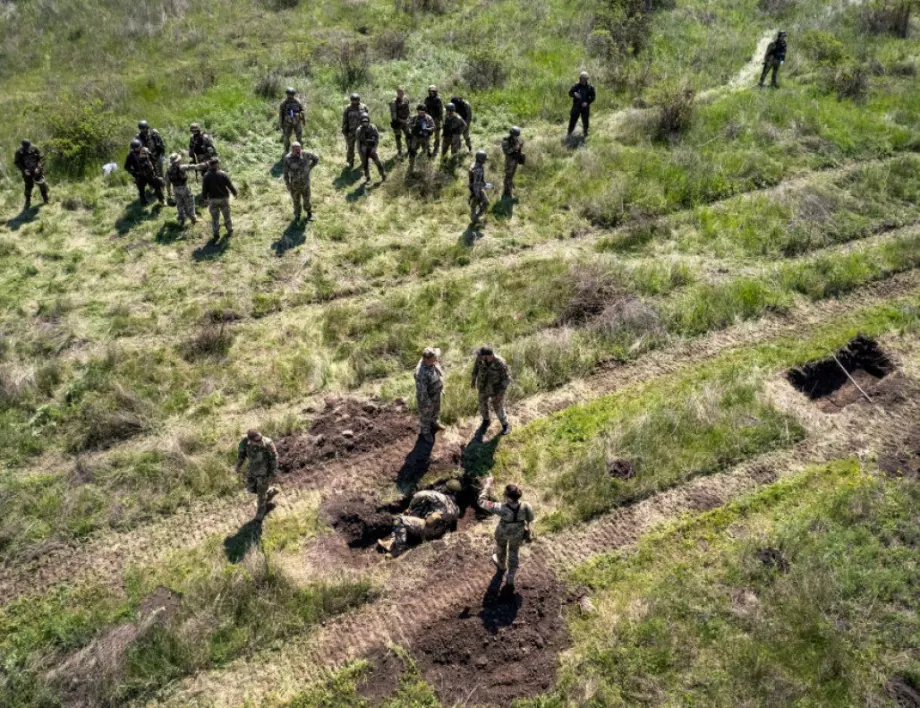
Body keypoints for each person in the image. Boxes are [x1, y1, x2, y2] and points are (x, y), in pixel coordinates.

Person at [478, 479, 534, 594]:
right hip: (518, 534)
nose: (503, 495)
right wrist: (528, 533)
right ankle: (510, 577)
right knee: (514, 553)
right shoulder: (526, 506)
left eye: (505, 494)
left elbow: (481, 501)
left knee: (501, 548)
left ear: (509, 498)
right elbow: (530, 520)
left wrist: (487, 486)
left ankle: (501, 565)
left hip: (502, 533)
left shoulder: (500, 507)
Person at [378, 488, 460, 557]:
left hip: (426, 528)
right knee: (420, 510)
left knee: (398, 521)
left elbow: (420, 495)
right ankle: (392, 542)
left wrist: (410, 507)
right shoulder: (456, 510)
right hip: (436, 533)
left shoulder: (441, 498)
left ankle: (398, 549)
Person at [235, 429, 280, 522]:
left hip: (264, 472)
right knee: (250, 488)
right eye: (257, 441)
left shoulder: (268, 443)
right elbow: (241, 454)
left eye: (260, 439)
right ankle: (270, 492)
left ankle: (261, 511)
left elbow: (274, 458)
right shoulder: (244, 441)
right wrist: (238, 466)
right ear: (250, 440)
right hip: (252, 470)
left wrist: (273, 472)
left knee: (260, 493)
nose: (260, 441)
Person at [471, 346, 511, 435]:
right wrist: (473, 382)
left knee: (498, 407)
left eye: (481, 355)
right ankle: (486, 421)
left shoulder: (500, 363)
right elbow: (475, 370)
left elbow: (506, 379)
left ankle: (505, 425)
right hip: (482, 388)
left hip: (495, 390)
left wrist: (501, 393)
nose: (478, 356)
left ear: (487, 356)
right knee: (482, 405)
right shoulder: (479, 359)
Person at [201, 157, 238, 239]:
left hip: (213, 200)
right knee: (227, 216)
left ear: (210, 165)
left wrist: (204, 198)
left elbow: (204, 189)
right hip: (224, 198)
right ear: (216, 165)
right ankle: (229, 229)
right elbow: (230, 185)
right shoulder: (223, 174)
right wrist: (235, 193)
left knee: (215, 218)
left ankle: (216, 233)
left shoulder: (206, 176)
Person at [414, 347, 445, 443]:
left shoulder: (430, 361)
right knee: (426, 416)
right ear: (426, 359)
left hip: (435, 393)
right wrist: (427, 404)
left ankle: (434, 422)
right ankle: (425, 432)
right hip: (427, 398)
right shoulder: (421, 373)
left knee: (436, 410)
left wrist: (440, 388)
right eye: (433, 358)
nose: (436, 359)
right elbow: (422, 392)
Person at [283, 141, 319, 222]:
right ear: (292, 150)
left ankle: (309, 214)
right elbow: (285, 173)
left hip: (305, 184)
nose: (298, 152)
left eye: (299, 149)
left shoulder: (306, 154)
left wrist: (310, 167)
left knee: (307, 200)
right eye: (296, 150)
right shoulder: (287, 158)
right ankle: (297, 216)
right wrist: (288, 184)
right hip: (294, 185)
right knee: (296, 202)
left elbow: (316, 159)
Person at [166, 153, 206, 226]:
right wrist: (205, 164)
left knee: (179, 204)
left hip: (175, 189)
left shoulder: (168, 170)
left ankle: (181, 219)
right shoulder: (182, 167)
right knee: (190, 202)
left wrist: (169, 193)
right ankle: (193, 219)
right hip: (184, 188)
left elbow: (168, 183)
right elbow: (195, 166)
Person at [124, 139, 165, 206]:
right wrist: (134, 173)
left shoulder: (146, 150)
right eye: (136, 148)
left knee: (157, 186)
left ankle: (162, 200)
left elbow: (153, 160)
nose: (138, 148)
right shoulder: (130, 156)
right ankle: (144, 202)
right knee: (141, 190)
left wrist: (156, 172)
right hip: (140, 175)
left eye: (138, 147)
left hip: (150, 173)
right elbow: (126, 167)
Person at [135, 120, 169, 198]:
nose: (143, 130)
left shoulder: (154, 133)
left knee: (160, 172)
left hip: (157, 155)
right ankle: (152, 188)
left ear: (147, 127)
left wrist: (162, 154)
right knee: (150, 173)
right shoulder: (138, 137)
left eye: (144, 128)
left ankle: (162, 186)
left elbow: (161, 143)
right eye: (141, 129)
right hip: (147, 158)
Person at [14, 139, 49, 208]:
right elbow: (17, 163)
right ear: (22, 146)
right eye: (25, 147)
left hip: (37, 170)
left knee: (42, 184)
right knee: (28, 186)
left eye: (28, 146)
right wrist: (24, 170)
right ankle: (28, 200)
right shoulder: (18, 152)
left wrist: (38, 168)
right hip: (27, 172)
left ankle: (45, 198)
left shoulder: (35, 148)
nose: (27, 148)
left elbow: (41, 158)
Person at [356, 114, 386, 182]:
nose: (365, 123)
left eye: (366, 121)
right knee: (365, 165)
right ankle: (368, 178)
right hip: (364, 149)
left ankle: (383, 174)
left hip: (372, 148)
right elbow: (358, 143)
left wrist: (375, 148)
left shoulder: (373, 127)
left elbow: (377, 138)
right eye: (363, 121)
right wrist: (360, 152)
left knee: (378, 161)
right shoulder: (359, 130)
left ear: (368, 121)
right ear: (361, 122)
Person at [341, 93, 368, 168]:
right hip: (351, 131)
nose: (355, 102)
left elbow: (367, 118)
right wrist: (344, 129)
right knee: (350, 148)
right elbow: (345, 119)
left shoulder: (363, 107)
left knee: (363, 147)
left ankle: (364, 161)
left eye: (356, 100)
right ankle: (350, 162)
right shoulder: (348, 108)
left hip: (361, 131)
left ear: (359, 100)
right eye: (353, 100)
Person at [568, 71, 596, 138]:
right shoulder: (576, 86)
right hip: (576, 106)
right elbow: (570, 93)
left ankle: (585, 135)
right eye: (581, 78)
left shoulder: (590, 87)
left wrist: (587, 102)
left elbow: (593, 97)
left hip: (585, 107)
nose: (582, 80)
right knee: (572, 121)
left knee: (585, 122)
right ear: (579, 78)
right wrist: (574, 94)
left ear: (587, 79)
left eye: (584, 78)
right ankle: (569, 134)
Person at [407, 105, 435, 172]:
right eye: (419, 112)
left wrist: (427, 129)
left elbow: (433, 127)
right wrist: (414, 126)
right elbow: (408, 124)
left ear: (425, 112)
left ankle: (426, 168)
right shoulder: (414, 118)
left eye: (423, 112)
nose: (421, 113)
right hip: (415, 138)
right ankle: (411, 168)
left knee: (427, 152)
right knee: (412, 152)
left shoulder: (429, 118)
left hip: (425, 138)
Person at [279, 87, 306, 153]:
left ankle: (300, 150)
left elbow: (302, 111)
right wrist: (281, 123)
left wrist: (303, 120)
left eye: (291, 94)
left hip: (297, 121)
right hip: (287, 122)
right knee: (286, 137)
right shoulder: (284, 103)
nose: (290, 96)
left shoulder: (297, 101)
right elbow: (281, 114)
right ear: (287, 94)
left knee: (299, 137)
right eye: (289, 94)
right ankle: (286, 150)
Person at [501, 126, 525, 199]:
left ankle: (510, 185)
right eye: (515, 136)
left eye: (517, 136)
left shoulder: (516, 139)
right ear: (511, 134)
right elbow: (506, 151)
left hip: (515, 159)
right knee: (508, 175)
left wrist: (520, 145)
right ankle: (507, 192)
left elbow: (518, 146)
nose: (517, 137)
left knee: (512, 174)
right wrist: (515, 147)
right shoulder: (506, 140)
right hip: (509, 160)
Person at [389, 87, 412, 157]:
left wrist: (408, 119)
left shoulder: (406, 99)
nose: (401, 94)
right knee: (398, 137)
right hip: (397, 122)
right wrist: (402, 120)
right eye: (399, 93)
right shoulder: (394, 102)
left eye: (402, 92)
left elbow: (408, 110)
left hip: (405, 121)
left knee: (408, 135)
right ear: (397, 93)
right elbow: (393, 115)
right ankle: (399, 151)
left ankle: (409, 149)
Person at [468, 150, 490, 225]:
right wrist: (477, 195)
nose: (485, 161)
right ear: (481, 159)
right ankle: (475, 219)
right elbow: (476, 183)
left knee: (485, 203)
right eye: (484, 159)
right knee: (476, 205)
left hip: (475, 188)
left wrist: (485, 184)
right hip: (476, 189)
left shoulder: (474, 164)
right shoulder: (478, 169)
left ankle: (476, 217)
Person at [424, 85, 444, 157]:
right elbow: (425, 109)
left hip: (436, 119)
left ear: (435, 92)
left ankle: (436, 147)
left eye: (433, 91)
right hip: (428, 118)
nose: (432, 93)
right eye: (430, 91)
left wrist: (441, 119)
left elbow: (441, 110)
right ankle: (427, 148)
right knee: (428, 133)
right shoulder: (427, 99)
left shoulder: (438, 99)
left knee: (437, 134)